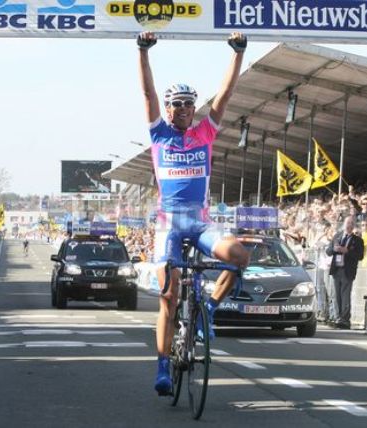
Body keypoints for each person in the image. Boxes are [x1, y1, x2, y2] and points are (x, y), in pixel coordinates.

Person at [137, 31, 250, 396]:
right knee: (169, 296)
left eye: (189, 104)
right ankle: (162, 367)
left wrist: (238, 53)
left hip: (200, 222)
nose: (184, 110)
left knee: (239, 257)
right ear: (169, 109)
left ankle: (209, 311)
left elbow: (226, 94)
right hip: (169, 223)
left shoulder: (205, 132)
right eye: (177, 105)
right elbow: (147, 94)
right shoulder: (159, 135)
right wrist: (143, 52)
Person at [326, 216, 364, 329]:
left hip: (348, 270)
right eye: (348, 222)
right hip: (336, 269)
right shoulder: (337, 236)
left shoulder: (357, 240)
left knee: (345, 296)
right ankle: (337, 317)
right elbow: (328, 252)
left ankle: (345, 319)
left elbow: (360, 256)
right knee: (336, 295)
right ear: (344, 224)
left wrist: (347, 251)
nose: (350, 225)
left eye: (352, 223)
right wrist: (334, 249)